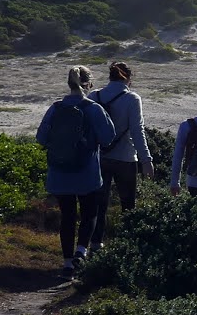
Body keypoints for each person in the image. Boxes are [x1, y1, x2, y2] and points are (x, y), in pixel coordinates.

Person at [36, 64, 114, 275]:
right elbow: (108, 138)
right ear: (88, 84)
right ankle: (81, 251)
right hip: (86, 172)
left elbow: (41, 138)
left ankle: (67, 263)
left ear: (69, 83)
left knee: (67, 216)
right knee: (90, 213)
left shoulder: (55, 108)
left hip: (60, 172)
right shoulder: (93, 109)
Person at [90, 60, 152, 246]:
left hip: (100, 157)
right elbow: (137, 130)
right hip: (125, 158)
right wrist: (146, 159)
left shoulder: (95, 95)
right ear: (129, 78)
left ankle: (95, 243)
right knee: (128, 205)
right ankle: (127, 245)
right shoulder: (132, 99)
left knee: (99, 205)